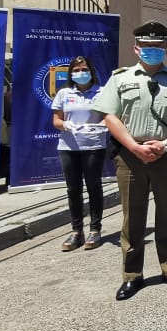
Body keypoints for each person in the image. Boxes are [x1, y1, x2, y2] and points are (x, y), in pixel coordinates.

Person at [94, 21, 167, 301]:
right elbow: (109, 116)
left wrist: (166, 144)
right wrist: (133, 146)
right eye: (147, 47)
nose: (152, 50)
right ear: (136, 48)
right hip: (131, 157)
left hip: (166, 155)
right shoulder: (120, 78)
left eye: (157, 46)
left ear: (166, 48)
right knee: (133, 217)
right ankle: (132, 275)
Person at [51, 55, 108, 252]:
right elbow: (56, 120)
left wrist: (101, 125)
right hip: (68, 146)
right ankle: (76, 231)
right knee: (73, 189)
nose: (80, 74)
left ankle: (95, 229)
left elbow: (111, 117)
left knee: (93, 186)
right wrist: (64, 125)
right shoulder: (64, 93)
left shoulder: (102, 92)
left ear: (91, 71)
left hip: (93, 145)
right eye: (76, 71)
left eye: (84, 70)